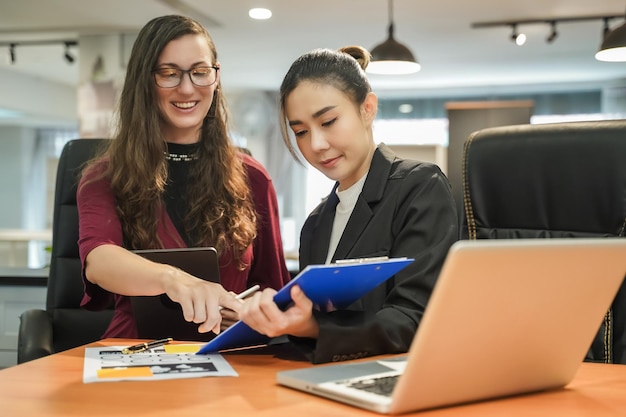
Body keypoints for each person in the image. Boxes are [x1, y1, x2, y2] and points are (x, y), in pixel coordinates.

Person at [239, 46, 459, 363]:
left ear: (367, 108)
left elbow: (414, 318)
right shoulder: (316, 224)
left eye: (328, 121)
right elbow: (314, 328)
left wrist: (315, 326)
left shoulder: (419, 187)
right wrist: (272, 321)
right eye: (300, 131)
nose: (315, 145)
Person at [77, 15, 291, 338]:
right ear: (145, 81)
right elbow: (98, 261)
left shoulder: (253, 178)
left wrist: (255, 309)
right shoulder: (104, 176)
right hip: (137, 353)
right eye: (169, 73)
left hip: (232, 352)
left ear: (215, 78)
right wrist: (174, 280)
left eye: (200, 72)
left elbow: (273, 287)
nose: (187, 87)